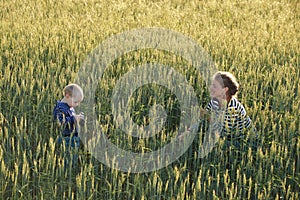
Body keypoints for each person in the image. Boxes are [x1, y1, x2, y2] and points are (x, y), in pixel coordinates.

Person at [53, 83, 85, 169]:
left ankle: (71, 170)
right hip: (66, 140)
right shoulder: (60, 108)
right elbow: (60, 122)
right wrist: (74, 119)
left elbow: (71, 119)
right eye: (75, 102)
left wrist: (78, 120)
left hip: (72, 138)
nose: (76, 104)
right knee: (68, 161)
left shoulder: (69, 106)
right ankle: (67, 173)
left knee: (73, 158)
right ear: (67, 96)